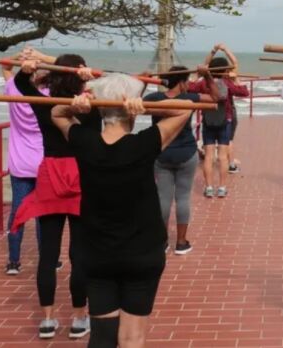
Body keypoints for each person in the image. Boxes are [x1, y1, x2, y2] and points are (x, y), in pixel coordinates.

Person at [51, 74, 191, 348]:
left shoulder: (84, 142)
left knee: (103, 336)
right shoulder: (145, 144)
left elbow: (57, 112)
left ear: (102, 108)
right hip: (143, 253)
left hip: (97, 253)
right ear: (130, 107)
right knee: (132, 338)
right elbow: (184, 108)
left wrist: (78, 104)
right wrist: (147, 107)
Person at [12, 55, 97, 340]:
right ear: (79, 75)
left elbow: (24, 86)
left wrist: (25, 73)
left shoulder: (44, 104)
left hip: (50, 175)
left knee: (48, 253)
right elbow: (105, 118)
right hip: (80, 175)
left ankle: (47, 320)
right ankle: (78, 317)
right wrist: (89, 82)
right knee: (79, 253)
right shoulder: (88, 103)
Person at [145, 65, 218, 255]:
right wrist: (208, 77)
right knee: (183, 197)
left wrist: (144, 80)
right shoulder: (188, 98)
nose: (189, 84)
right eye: (187, 81)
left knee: (163, 198)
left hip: (161, 152)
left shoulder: (154, 99)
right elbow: (216, 98)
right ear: (182, 82)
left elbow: (133, 102)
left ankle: (161, 243)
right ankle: (181, 242)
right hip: (186, 152)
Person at [1, 48, 51, 275]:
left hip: (20, 164)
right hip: (42, 162)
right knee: (43, 215)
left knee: (17, 213)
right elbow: (62, 70)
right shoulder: (49, 97)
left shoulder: (13, 89)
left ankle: (13, 261)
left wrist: (21, 58)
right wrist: (40, 58)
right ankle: (48, 259)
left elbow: (4, 66)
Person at [191, 45, 249, 198]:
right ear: (224, 70)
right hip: (225, 121)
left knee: (209, 156)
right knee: (222, 156)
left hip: (208, 122)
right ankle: (222, 187)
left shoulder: (203, 83)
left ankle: (209, 187)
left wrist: (197, 75)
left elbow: (189, 87)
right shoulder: (227, 83)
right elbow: (244, 92)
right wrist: (236, 79)